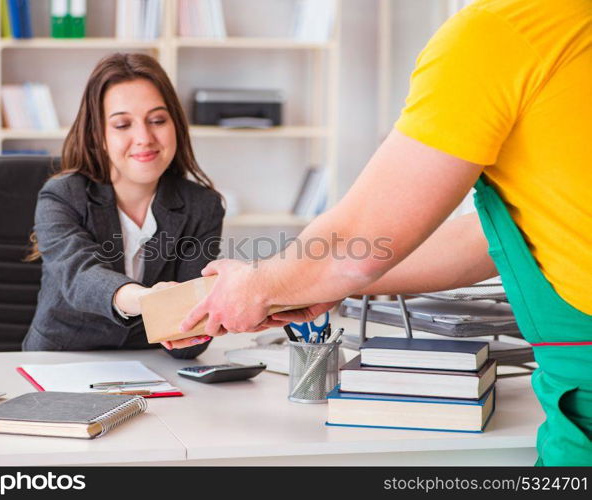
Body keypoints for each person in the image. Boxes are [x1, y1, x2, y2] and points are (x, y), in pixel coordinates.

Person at [175, 0, 592, 465]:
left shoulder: (500, 33)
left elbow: (354, 243)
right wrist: (314, 284)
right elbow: (504, 237)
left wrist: (261, 284)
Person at [22, 53, 221, 357]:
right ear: (97, 136)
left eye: (157, 120)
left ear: (176, 126)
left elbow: (189, 344)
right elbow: (80, 276)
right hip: (62, 359)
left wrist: (205, 315)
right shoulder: (62, 196)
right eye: (122, 124)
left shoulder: (202, 207)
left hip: (152, 366)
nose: (143, 137)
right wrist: (150, 301)